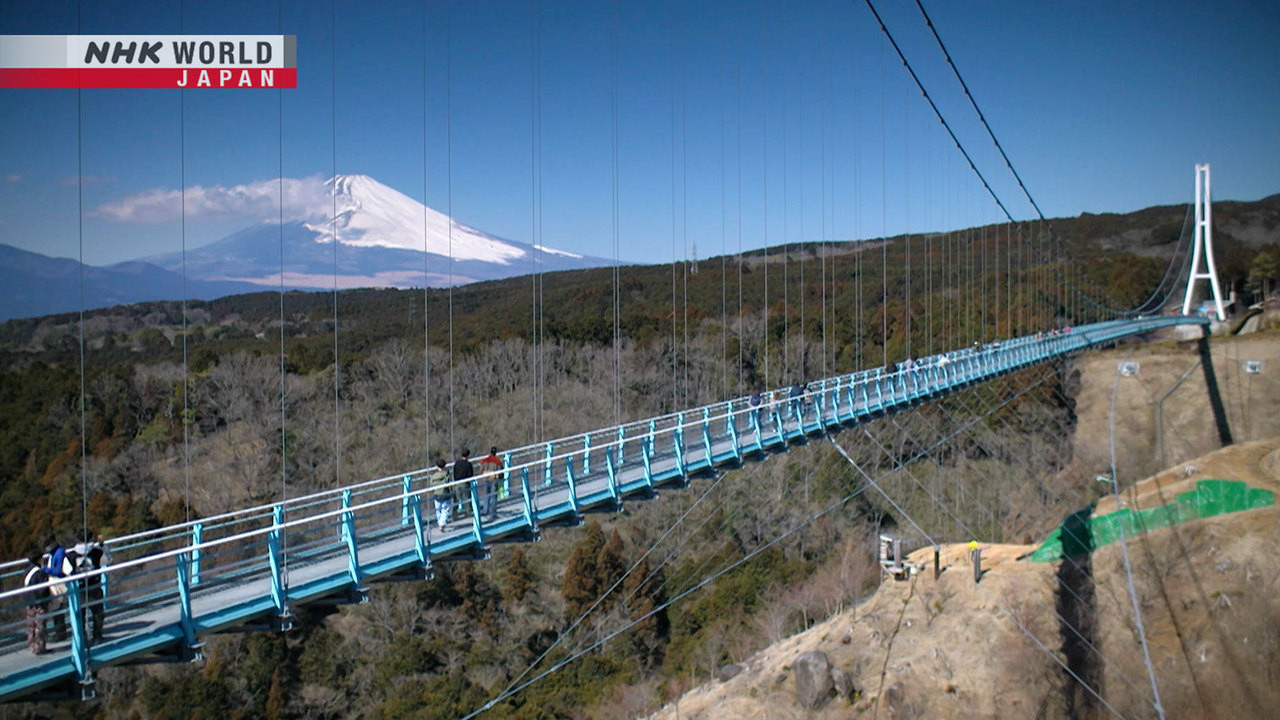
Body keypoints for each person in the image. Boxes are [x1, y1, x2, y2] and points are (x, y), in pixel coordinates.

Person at [73, 532, 109, 643]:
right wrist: (103, 545)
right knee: (98, 613)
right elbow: (108, 559)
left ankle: (81, 639)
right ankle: (97, 637)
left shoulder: (71, 555)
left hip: (79, 588)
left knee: (80, 616)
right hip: (94, 585)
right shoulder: (97, 552)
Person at [42, 541, 72, 642]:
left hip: (58, 584)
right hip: (57, 583)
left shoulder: (58, 554)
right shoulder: (57, 552)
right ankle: (61, 632)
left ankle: (60, 634)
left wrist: (45, 569)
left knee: (57, 609)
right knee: (57, 609)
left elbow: (58, 571)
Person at [23, 554, 49, 655]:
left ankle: (32, 645)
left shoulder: (27, 571)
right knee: (40, 625)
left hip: (29, 601)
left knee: (31, 624)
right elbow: (43, 588)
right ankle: (40, 647)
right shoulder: (40, 572)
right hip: (39, 602)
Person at [478, 447, 503, 521]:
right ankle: (493, 512)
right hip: (494, 479)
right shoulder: (497, 461)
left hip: (486, 479)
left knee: (486, 495)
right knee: (494, 496)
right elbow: (500, 472)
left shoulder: (484, 461)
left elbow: (480, 470)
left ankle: (485, 510)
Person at [429, 459, 452, 530]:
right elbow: (449, 484)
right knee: (445, 509)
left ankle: (440, 522)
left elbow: (431, 484)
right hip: (445, 494)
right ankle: (442, 523)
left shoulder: (433, 476)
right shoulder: (446, 474)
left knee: (438, 509)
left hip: (436, 495)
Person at [453, 449, 474, 517]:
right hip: (465, 483)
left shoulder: (456, 463)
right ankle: (468, 513)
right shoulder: (468, 464)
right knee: (466, 498)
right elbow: (470, 475)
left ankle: (454, 514)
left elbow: (454, 473)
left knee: (456, 499)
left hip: (457, 483)